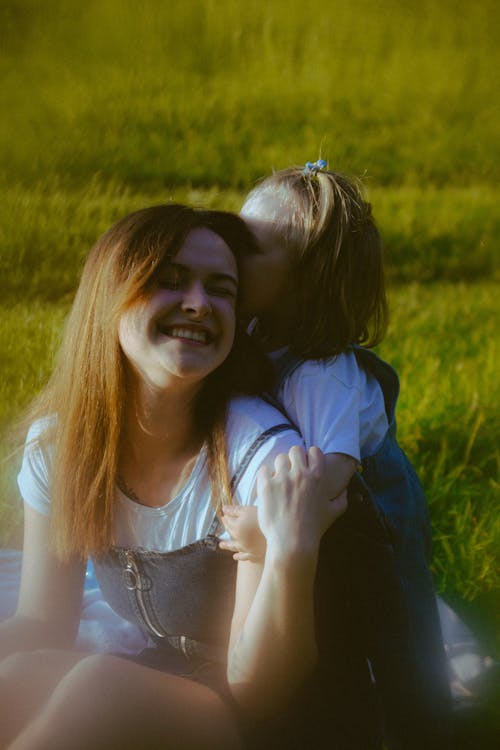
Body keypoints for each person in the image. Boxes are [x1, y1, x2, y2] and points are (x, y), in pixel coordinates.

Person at [0, 203, 346, 750]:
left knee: (102, 685)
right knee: (14, 678)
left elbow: (261, 693)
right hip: (164, 678)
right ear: (110, 295)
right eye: (170, 280)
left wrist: (288, 549)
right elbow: (43, 621)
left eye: (222, 289)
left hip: (263, 715)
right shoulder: (61, 447)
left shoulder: (261, 457)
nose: (199, 303)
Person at [219, 161, 452, 748]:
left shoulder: (322, 374)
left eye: (248, 247)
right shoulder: (255, 331)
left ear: (303, 282)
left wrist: (258, 532)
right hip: (321, 524)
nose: (228, 250)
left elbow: (330, 486)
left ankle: (407, 723)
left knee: (389, 627)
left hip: (372, 522)